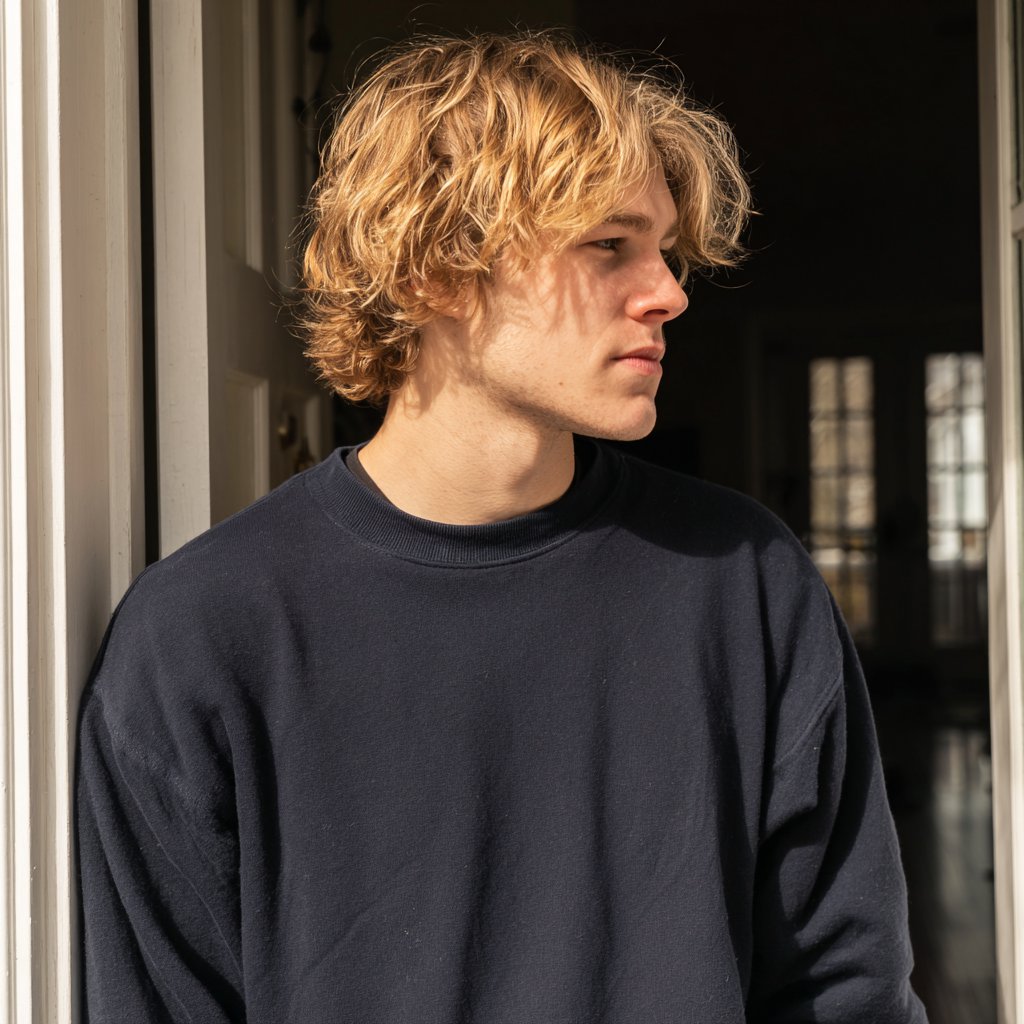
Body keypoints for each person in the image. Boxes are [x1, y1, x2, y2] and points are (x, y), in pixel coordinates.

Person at [76, 31, 928, 1024]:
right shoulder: (201, 638)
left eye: (662, 249)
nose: (669, 292)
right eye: (609, 245)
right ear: (438, 267)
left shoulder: (743, 581)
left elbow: (846, 991)